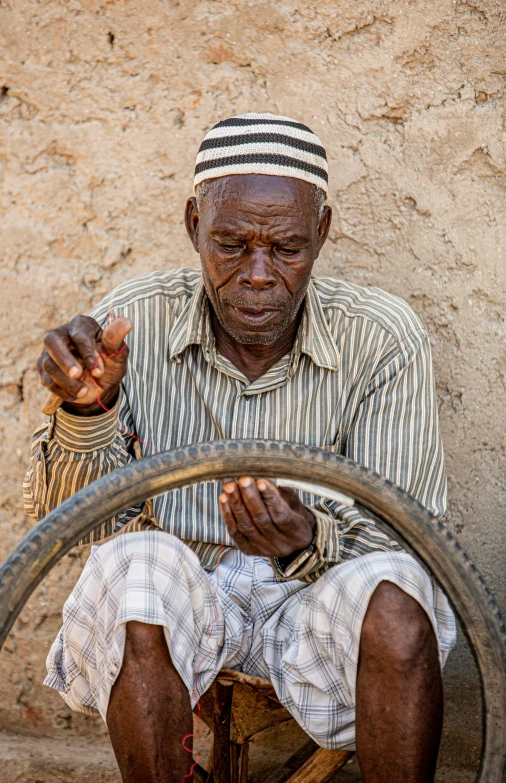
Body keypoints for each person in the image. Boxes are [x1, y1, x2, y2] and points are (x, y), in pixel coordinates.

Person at [25, 113, 456, 783]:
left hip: (314, 597)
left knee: (398, 593)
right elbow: (74, 521)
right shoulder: (136, 321)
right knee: (134, 562)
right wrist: (89, 406)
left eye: (286, 248)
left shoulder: (382, 337)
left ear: (322, 232)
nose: (258, 273)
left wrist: (307, 538)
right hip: (185, 599)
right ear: (195, 223)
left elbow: (411, 537)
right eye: (231, 243)